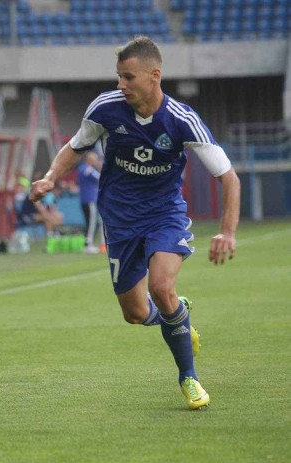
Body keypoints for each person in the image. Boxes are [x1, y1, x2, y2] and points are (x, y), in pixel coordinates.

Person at [29, 36, 240, 410]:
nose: (120, 85)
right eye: (118, 77)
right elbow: (77, 146)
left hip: (164, 215)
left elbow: (228, 177)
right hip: (120, 220)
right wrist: (50, 176)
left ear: (154, 75)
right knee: (136, 313)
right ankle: (177, 315)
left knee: (161, 287)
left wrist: (227, 231)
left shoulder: (181, 120)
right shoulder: (106, 109)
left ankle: (189, 378)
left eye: (128, 77)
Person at [77, 149, 102, 253]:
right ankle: (88, 244)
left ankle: (88, 242)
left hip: (85, 199)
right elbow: (100, 178)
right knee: (91, 222)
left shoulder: (81, 169)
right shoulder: (87, 169)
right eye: (95, 159)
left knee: (90, 222)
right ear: (90, 160)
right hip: (90, 199)